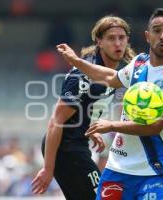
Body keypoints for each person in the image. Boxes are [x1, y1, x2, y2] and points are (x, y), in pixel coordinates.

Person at [57, 8, 163, 200]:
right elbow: (111, 77)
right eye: (156, 30)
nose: (162, 36)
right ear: (147, 36)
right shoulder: (139, 64)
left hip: (155, 170)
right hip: (118, 168)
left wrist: (111, 125)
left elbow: (155, 126)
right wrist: (76, 62)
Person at [31, 15, 135, 200]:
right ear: (99, 42)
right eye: (111, 38)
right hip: (66, 148)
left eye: (121, 37)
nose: (117, 43)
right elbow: (56, 122)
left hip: (77, 145)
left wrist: (89, 127)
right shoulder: (83, 77)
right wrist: (48, 169)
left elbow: (84, 109)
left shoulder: (111, 74)